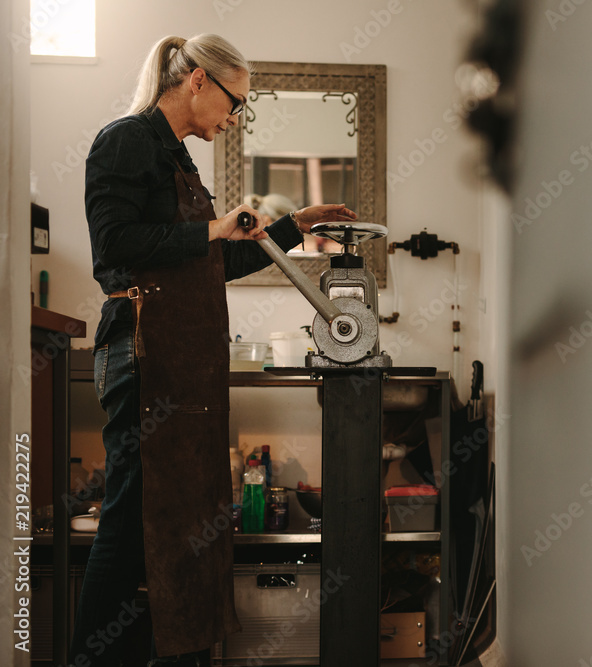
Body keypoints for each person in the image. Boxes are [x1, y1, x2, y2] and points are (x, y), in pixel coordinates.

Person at [72, 34, 357, 667]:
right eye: (236, 101)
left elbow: (215, 260)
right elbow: (112, 247)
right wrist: (209, 227)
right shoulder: (125, 140)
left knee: (171, 526)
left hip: (180, 360)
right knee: (130, 519)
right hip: (141, 351)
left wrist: (295, 225)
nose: (235, 117)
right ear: (197, 80)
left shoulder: (176, 157)